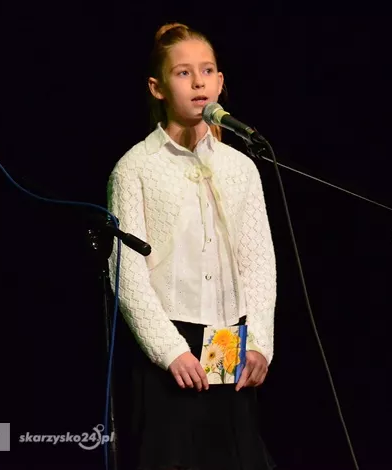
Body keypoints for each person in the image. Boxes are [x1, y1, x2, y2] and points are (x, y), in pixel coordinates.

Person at [107, 22, 277, 470]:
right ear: (158, 87)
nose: (198, 82)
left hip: (228, 342)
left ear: (220, 82)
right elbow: (128, 274)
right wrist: (170, 350)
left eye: (207, 71)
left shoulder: (241, 167)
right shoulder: (135, 168)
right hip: (170, 345)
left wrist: (259, 342)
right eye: (183, 73)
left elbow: (259, 262)